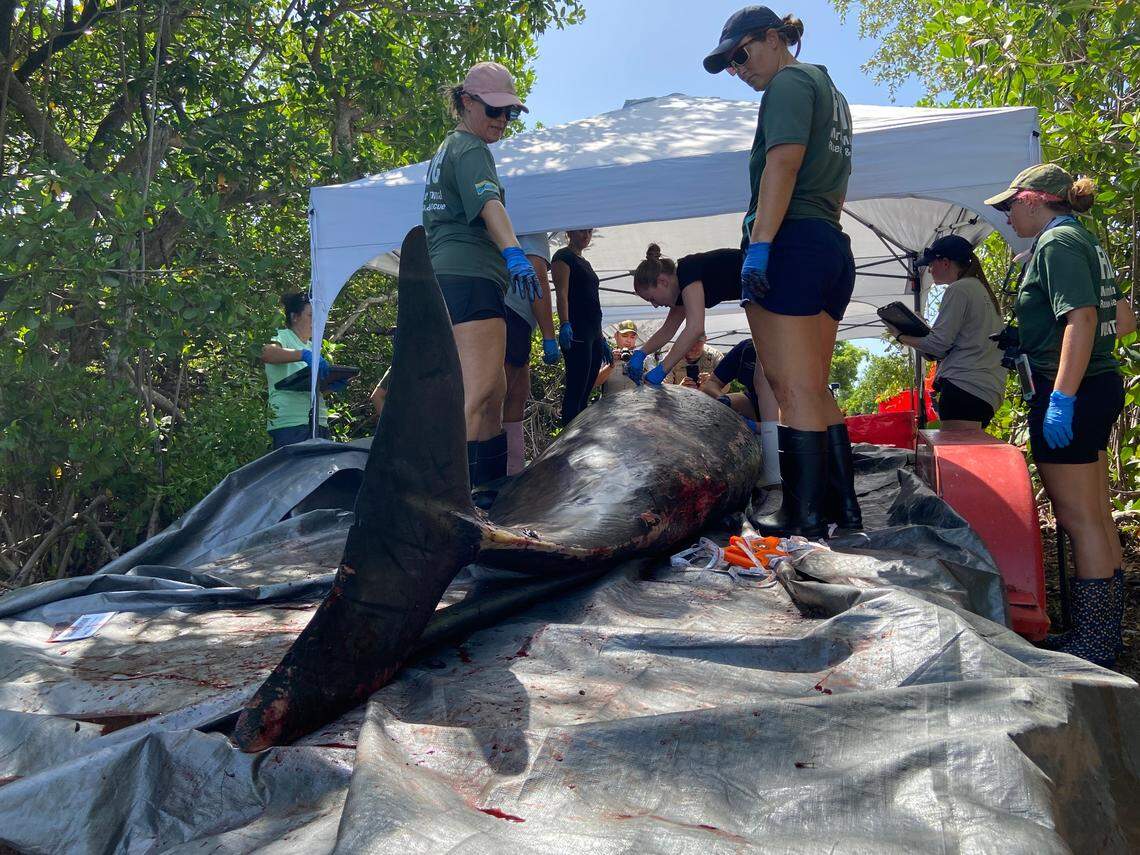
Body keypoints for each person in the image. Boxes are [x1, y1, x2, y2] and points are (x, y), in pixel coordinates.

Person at [704, 6, 860, 538]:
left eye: (741, 54)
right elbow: (836, 185)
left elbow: (783, 163)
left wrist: (762, 245)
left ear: (773, 39)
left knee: (790, 388)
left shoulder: (789, 85)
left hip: (791, 243)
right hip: (826, 242)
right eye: (729, 64)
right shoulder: (831, 92)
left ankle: (806, 517)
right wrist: (819, 238)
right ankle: (844, 510)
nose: (738, 69)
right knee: (813, 386)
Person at [985, 163, 1124, 665]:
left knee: (1077, 518)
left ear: (1031, 199)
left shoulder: (1056, 243)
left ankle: (1094, 642)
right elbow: (1122, 316)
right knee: (1096, 516)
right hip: (1097, 383)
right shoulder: (1082, 239)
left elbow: (1083, 318)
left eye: (1007, 207)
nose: (1005, 217)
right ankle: (1104, 635)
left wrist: (1061, 396)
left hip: (1074, 389)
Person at [423, 61, 542, 491]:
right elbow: (491, 204)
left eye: (510, 112)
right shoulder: (470, 149)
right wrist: (514, 252)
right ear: (466, 103)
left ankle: (487, 493)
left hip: (459, 278)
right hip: (468, 275)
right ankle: (454, 501)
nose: (503, 121)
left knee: (492, 392)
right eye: (494, 111)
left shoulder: (449, 148)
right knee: (476, 395)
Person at [628, 245, 782, 482]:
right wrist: (641, 353)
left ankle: (774, 472)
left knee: (764, 379)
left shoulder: (688, 271)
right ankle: (773, 470)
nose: (655, 305)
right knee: (763, 378)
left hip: (770, 286)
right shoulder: (680, 288)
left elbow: (695, 327)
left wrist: (662, 369)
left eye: (651, 298)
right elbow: (668, 330)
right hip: (760, 292)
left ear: (662, 281)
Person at [885, 235, 1006, 430]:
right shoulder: (980, 289)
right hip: (986, 390)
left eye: (931, 264)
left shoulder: (958, 289)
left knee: (959, 456)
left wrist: (901, 336)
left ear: (945, 262)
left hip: (964, 387)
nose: (930, 270)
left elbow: (937, 346)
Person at [503, 233, 560, 474]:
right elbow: (537, 275)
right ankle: (485, 476)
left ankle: (512, 468)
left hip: (518, 317)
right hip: (510, 311)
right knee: (495, 396)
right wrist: (549, 334)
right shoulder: (535, 223)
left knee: (518, 393)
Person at [261, 292, 345, 449]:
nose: (315, 321)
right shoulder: (282, 336)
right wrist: (302, 355)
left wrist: (329, 385)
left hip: (318, 421)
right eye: (310, 315)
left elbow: (307, 387)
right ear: (294, 317)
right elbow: (267, 353)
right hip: (291, 422)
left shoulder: (313, 347)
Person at [699, 338, 782, 486]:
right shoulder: (746, 348)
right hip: (755, 402)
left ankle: (774, 477)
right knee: (717, 406)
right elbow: (711, 384)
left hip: (790, 404)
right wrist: (722, 399)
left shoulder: (788, 346)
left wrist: (756, 426)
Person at [552, 228, 612, 425]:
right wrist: (565, 323)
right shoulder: (563, 256)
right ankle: (568, 438)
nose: (586, 236)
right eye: (581, 231)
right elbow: (561, 293)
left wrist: (601, 337)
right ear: (570, 232)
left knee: (586, 390)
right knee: (575, 391)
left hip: (593, 331)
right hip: (577, 329)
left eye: (589, 232)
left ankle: (578, 434)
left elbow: (593, 301)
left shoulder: (585, 262)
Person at [595, 320, 642, 394]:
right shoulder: (606, 356)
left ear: (636, 338)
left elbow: (651, 384)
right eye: (624, 336)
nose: (628, 340)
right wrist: (611, 364)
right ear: (616, 336)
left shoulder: (642, 357)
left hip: (636, 403)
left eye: (632, 337)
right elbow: (596, 382)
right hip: (611, 404)